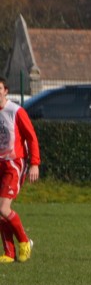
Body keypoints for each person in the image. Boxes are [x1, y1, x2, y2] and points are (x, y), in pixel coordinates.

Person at [0, 77, 40, 264]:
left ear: (5, 91)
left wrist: (35, 163)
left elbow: (31, 137)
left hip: (14, 164)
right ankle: (9, 253)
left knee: (3, 208)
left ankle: (24, 242)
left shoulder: (16, 111)